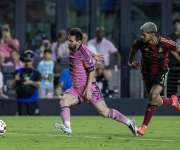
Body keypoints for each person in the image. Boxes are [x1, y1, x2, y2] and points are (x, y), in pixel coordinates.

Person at [54, 28, 138, 135]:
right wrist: (93, 55)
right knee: (63, 101)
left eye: (71, 41)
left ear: (78, 42)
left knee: (104, 112)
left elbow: (92, 71)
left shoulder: (83, 52)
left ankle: (130, 123)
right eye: (68, 40)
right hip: (76, 88)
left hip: (90, 88)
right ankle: (67, 128)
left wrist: (88, 89)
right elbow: (86, 50)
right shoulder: (78, 48)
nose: (68, 43)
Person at [128, 22, 180, 136]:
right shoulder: (139, 42)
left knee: (153, 95)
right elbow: (133, 49)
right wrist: (131, 62)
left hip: (162, 71)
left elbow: (177, 48)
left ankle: (143, 127)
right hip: (146, 73)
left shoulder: (164, 41)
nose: (141, 36)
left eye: (144, 34)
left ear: (152, 33)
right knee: (153, 99)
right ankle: (172, 101)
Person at [13, 50, 41, 115]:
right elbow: (13, 86)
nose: (28, 63)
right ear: (24, 61)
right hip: (21, 100)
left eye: (29, 61)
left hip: (32, 100)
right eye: (26, 61)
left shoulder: (36, 72)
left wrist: (30, 82)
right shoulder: (18, 71)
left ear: (32, 61)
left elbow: (39, 85)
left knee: (34, 120)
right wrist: (15, 80)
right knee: (21, 120)